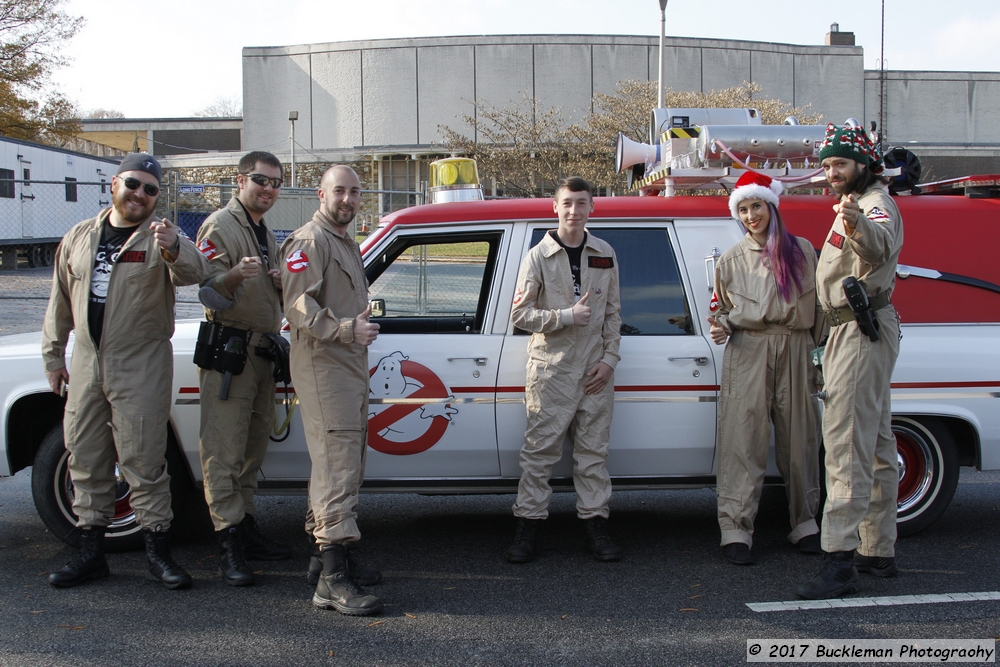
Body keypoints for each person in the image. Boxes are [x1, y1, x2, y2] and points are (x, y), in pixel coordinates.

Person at [41, 153, 209, 589]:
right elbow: (60, 301)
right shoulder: (79, 237)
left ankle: (158, 554)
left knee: (143, 459)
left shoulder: (160, 237)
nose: (141, 194)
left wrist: (174, 243)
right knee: (85, 456)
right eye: (134, 184)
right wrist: (53, 357)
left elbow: (196, 270)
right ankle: (91, 553)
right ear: (114, 184)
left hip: (140, 363)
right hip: (87, 362)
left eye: (151, 189)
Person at [797, 123, 903, 599]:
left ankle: (838, 562)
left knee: (843, 447)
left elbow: (879, 244)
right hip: (854, 329)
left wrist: (856, 220)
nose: (831, 172)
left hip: (859, 331)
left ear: (863, 163)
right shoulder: (856, 202)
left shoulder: (872, 205)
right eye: (826, 165)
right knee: (877, 442)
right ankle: (877, 549)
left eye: (840, 163)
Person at [281, 165, 383, 616]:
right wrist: (346, 329)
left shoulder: (343, 240)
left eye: (354, 192)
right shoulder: (310, 240)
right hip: (326, 366)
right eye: (339, 190)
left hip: (347, 366)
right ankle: (333, 580)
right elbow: (298, 306)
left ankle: (319, 559)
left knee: (338, 462)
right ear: (321, 193)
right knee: (338, 465)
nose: (347, 198)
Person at [707, 171, 823, 566]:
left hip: (796, 345)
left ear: (771, 205)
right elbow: (720, 308)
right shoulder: (730, 260)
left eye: (756, 205)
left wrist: (819, 360)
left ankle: (806, 522)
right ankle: (736, 529)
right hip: (749, 349)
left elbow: (821, 309)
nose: (750, 214)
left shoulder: (803, 251)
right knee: (743, 441)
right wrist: (721, 324)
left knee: (802, 440)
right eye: (742, 208)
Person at [505, 176, 622, 564]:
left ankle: (596, 525)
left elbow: (614, 316)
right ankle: (528, 527)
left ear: (593, 208)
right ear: (554, 208)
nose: (574, 211)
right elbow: (520, 315)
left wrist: (609, 361)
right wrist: (565, 316)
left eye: (582, 203)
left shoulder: (605, 253)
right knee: (539, 454)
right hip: (551, 370)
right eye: (567, 203)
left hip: (594, 369)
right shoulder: (538, 256)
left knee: (593, 453)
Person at [194, 151, 291, 587]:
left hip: (261, 353)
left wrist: (277, 284)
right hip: (230, 353)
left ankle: (246, 525)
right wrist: (233, 276)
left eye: (275, 183)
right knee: (223, 450)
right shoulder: (220, 226)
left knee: (252, 449)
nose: (268, 189)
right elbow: (208, 294)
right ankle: (228, 542)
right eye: (260, 180)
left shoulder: (263, 230)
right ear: (240, 180)